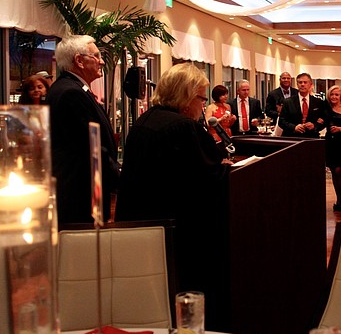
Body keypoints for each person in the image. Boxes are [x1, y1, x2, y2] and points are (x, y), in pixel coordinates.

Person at [115, 63, 228, 317]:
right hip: (178, 230)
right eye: (201, 98)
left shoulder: (146, 120)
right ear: (186, 97)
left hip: (142, 224)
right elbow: (204, 176)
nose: (203, 105)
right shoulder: (183, 127)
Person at [47, 35, 120, 224]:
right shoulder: (70, 92)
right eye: (96, 56)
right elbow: (89, 147)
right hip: (79, 194)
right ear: (79, 60)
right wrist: (120, 179)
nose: (101, 61)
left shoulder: (74, 88)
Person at [325, 85, 341, 212]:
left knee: (340, 170)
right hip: (330, 142)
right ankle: (339, 199)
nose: (334, 97)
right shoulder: (326, 108)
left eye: (337, 94)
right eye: (332, 94)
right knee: (334, 171)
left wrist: (340, 129)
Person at [278, 73, 325, 137]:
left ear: (310, 85)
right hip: (292, 138)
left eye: (305, 82)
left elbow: (323, 121)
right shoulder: (288, 102)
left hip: (311, 138)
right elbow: (281, 122)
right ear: (297, 85)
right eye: (300, 82)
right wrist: (294, 127)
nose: (302, 84)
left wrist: (314, 126)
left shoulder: (318, 102)